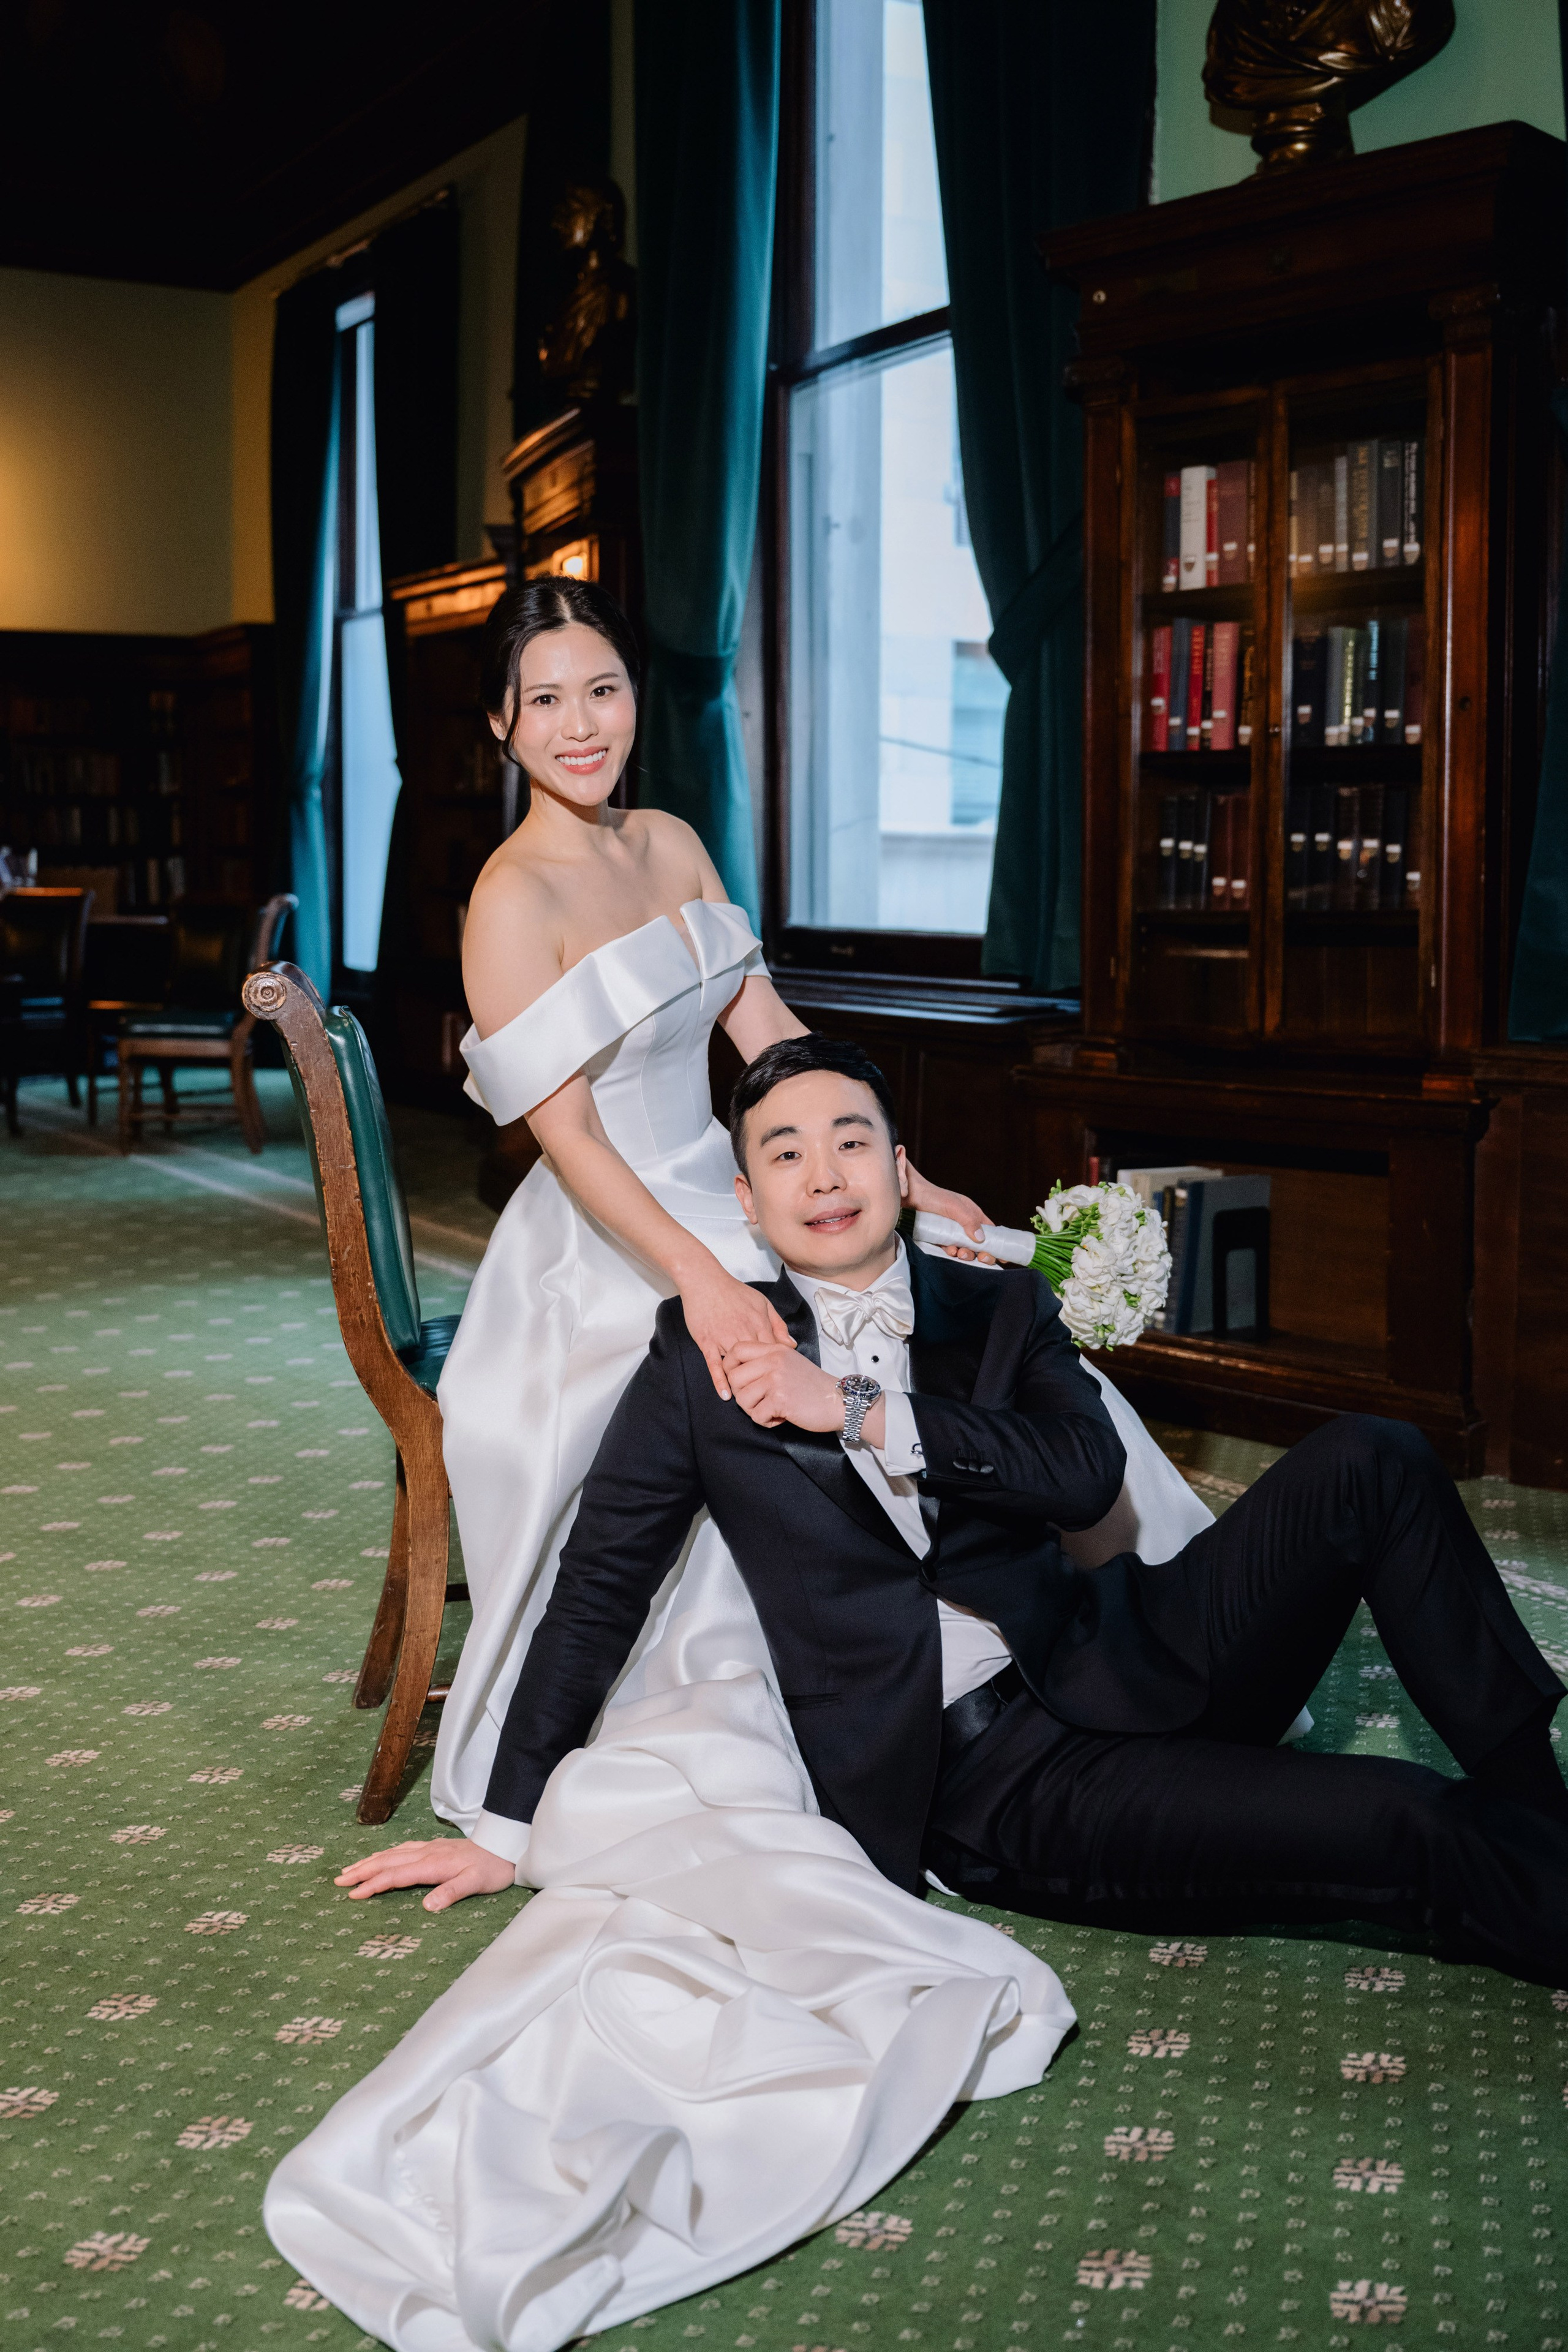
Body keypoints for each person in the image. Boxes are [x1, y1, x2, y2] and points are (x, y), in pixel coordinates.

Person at [362, 1034, 1568, 1984]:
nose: (823, 1174)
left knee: (1374, 1453)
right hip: (1002, 1781)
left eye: (850, 1142)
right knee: (1410, 1823)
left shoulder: (990, 1306)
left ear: (898, 1167)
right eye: (784, 1153)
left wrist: (853, 1407)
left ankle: (1538, 1799)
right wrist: (507, 1828)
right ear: (746, 1195)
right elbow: (599, 1585)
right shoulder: (701, 1356)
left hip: (1124, 1652)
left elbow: (1080, 1477)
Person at [428, 573, 1010, 1836]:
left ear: (637, 694)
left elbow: (773, 1046)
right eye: (543, 702)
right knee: (752, 1353)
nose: (580, 725)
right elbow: (566, 1133)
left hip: (724, 1176)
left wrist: (900, 1179)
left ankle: (995, 1644)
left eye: (603, 689)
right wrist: (697, 1274)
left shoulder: (676, 844)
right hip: (601, 1227)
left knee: (970, 1270)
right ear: (499, 726)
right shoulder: (507, 899)